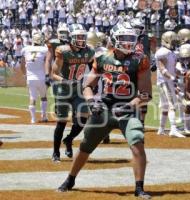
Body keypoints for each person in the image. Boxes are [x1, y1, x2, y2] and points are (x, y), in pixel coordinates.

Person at [57, 22, 152, 199]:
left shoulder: (141, 60)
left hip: (128, 110)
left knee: (137, 142)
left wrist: (129, 105)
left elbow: (146, 94)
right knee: (86, 146)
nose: (128, 42)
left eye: (131, 38)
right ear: (115, 39)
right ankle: (70, 179)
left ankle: (139, 188)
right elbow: (87, 85)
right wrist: (91, 102)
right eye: (124, 38)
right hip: (105, 109)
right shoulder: (102, 58)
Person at [50, 24, 95, 162]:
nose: (82, 40)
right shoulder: (63, 51)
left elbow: (93, 68)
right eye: (79, 37)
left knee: (84, 118)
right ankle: (56, 152)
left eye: (83, 37)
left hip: (77, 90)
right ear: (72, 38)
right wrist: (65, 81)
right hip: (63, 90)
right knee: (62, 122)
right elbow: (53, 74)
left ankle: (68, 139)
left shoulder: (88, 51)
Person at [156, 31, 186, 138]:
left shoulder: (170, 52)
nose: (174, 43)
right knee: (171, 105)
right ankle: (173, 129)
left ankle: (161, 129)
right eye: (173, 41)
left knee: (165, 107)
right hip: (165, 81)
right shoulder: (163, 52)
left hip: (166, 81)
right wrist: (171, 77)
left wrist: (180, 73)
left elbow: (171, 69)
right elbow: (162, 68)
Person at [20, 32, 48, 124]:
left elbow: (22, 64)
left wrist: (25, 75)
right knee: (43, 97)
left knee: (32, 98)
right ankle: (43, 116)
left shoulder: (26, 49)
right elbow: (47, 63)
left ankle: (33, 119)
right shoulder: (44, 49)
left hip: (30, 77)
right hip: (41, 77)